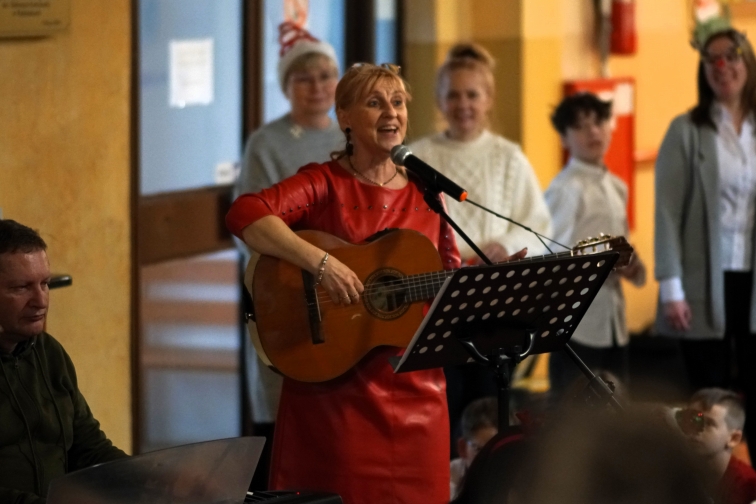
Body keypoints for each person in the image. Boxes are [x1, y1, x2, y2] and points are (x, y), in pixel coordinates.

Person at [226, 63, 481, 503]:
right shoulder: (323, 183)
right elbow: (244, 213)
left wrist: (489, 279)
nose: (391, 113)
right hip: (337, 396)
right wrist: (320, 262)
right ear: (344, 117)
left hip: (418, 395)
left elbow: (447, 277)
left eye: (398, 102)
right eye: (375, 103)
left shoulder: (426, 190)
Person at [408, 42, 552, 459]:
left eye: (473, 95)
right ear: (439, 100)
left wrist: (504, 244)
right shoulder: (420, 158)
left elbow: (539, 225)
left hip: (496, 305)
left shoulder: (509, 158)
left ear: (488, 99)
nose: (463, 105)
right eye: (453, 95)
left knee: (492, 407)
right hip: (440, 301)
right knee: (445, 403)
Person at [233, 21, 342, 489]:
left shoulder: (351, 136)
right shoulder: (267, 143)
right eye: (304, 78)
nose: (317, 87)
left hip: (342, 284)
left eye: (325, 76)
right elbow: (253, 222)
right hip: (285, 284)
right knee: (282, 409)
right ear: (286, 86)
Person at [654, 24, 756, 461]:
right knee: (704, 394)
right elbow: (667, 211)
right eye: (712, 59)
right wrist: (671, 287)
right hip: (700, 279)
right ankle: (700, 475)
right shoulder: (686, 130)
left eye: (731, 56)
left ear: (747, 62)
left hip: (751, 278)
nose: (722, 66)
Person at [0, 219, 127, 503]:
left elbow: (88, 447)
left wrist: (151, 477)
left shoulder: (50, 353)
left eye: (44, 284)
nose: (41, 301)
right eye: (21, 287)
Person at [545, 92, 646, 398]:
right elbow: (551, 256)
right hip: (577, 323)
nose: (593, 132)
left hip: (613, 320)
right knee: (576, 413)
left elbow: (623, 249)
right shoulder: (565, 189)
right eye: (581, 126)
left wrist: (632, 266)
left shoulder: (617, 186)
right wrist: (604, 261)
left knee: (617, 408)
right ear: (564, 137)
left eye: (599, 122)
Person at [681, 388, 756, 504]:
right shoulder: (671, 472)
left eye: (708, 423)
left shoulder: (750, 487)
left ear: (734, 438)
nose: (695, 429)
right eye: (693, 420)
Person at [450, 397, 499, 499]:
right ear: (463, 448)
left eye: (499, 450)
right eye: (480, 450)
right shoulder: (446, 486)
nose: (491, 460)